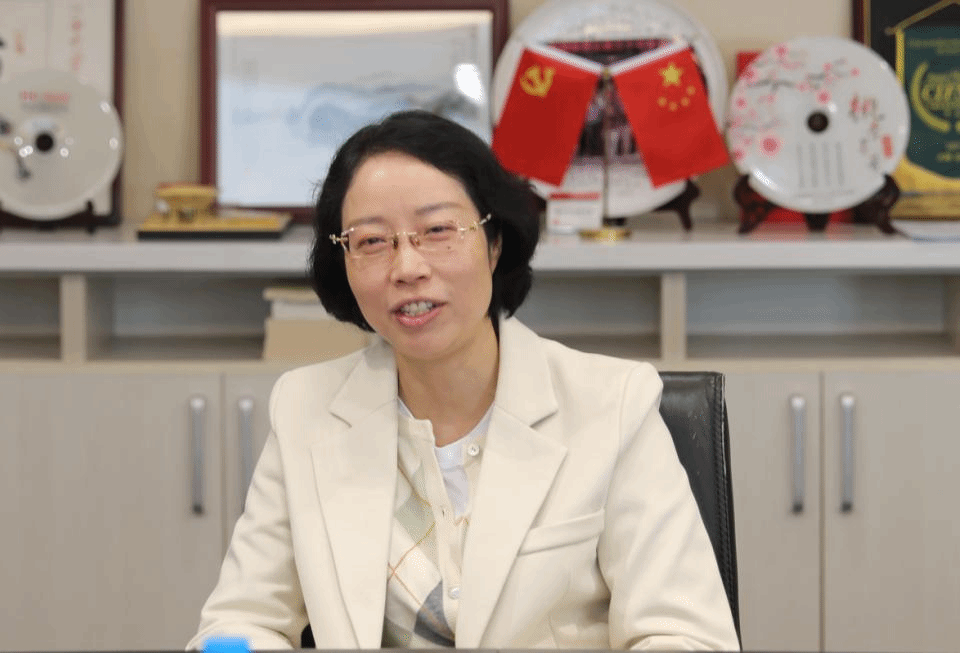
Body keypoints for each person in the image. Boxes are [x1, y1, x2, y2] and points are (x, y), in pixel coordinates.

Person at [188, 110, 739, 650]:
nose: (407, 268)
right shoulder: (304, 409)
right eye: (372, 241)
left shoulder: (612, 405)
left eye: (437, 231)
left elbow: (685, 635)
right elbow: (239, 621)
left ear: (494, 242)